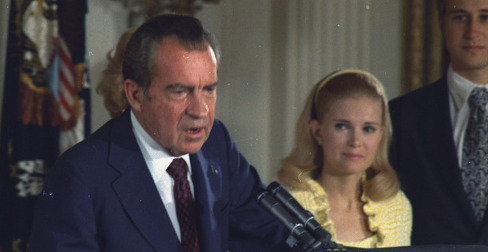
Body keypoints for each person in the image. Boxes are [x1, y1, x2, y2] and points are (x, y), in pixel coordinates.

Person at [28, 14, 288, 251]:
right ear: (136, 95)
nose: (201, 111)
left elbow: (271, 234)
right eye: (180, 91)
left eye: (209, 89)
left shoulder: (216, 143)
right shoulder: (81, 174)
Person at [389, 0, 488, 245]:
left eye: (485, 17)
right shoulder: (401, 116)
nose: (472, 31)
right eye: (460, 17)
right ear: (441, 23)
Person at [277, 69, 412, 248]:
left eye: (368, 129)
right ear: (317, 132)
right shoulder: (289, 209)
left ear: (381, 134)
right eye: (342, 126)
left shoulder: (396, 207)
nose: (355, 141)